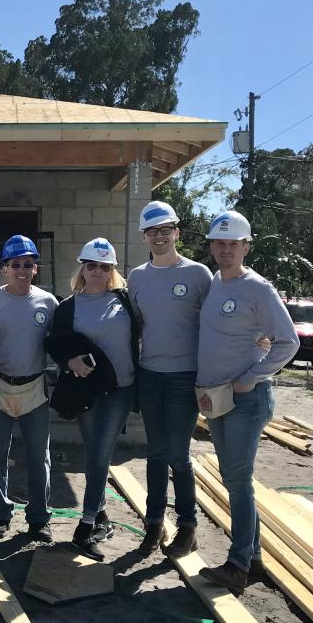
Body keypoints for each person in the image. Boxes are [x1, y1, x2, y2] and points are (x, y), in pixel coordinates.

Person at [196, 211, 297, 594]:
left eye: (232, 244)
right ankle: (252, 558)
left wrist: (251, 376)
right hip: (216, 398)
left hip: (245, 399)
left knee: (238, 482)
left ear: (245, 247)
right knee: (233, 478)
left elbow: (288, 341)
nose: (224, 250)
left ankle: (237, 565)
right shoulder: (216, 284)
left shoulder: (258, 288)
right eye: (219, 243)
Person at [126, 201, 214, 558]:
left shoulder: (198, 275)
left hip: (184, 377)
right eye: (152, 232)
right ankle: (153, 525)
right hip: (150, 376)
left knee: (178, 453)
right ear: (144, 237)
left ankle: (188, 527)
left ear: (176, 232)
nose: (159, 237)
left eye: (165, 230)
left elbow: (214, 328)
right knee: (156, 454)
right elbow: (136, 326)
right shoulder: (137, 277)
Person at [50, 238, 139, 561]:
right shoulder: (68, 307)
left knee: (101, 456)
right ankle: (100, 515)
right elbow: (55, 344)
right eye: (91, 265)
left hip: (121, 389)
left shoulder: (125, 302)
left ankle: (85, 526)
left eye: (104, 266)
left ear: (112, 270)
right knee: (93, 455)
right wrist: (70, 360)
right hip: (87, 391)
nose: (97, 271)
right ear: (82, 269)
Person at [0, 235, 59, 542]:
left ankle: (39, 518)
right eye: (15, 264)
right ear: (4, 269)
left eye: (28, 264)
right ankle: (0, 515)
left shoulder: (48, 303)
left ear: (36, 269)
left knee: (39, 456)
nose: (22, 270)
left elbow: (59, 345)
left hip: (33, 387)